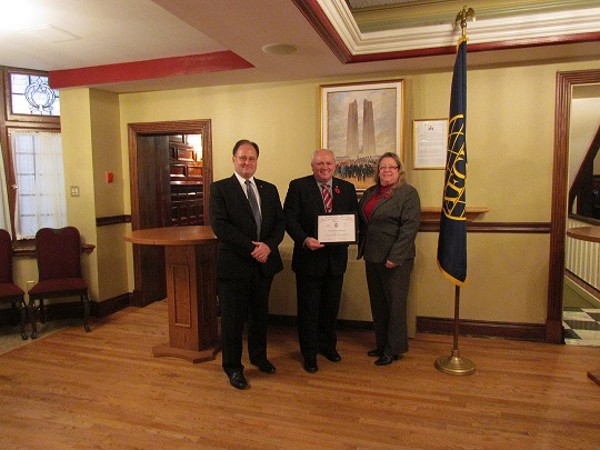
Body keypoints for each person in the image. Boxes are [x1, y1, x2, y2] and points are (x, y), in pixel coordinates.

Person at [209, 139, 285, 389]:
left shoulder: (269, 189)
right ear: (233, 159)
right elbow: (220, 226)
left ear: (257, 161)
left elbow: (278, 225)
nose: (247, 162)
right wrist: (253, 248)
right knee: (232, 320)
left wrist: (268, 247)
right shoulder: (220, 189)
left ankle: (259, 357)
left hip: (264, 265)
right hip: (234, 265)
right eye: (242, 158)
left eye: (251, 158)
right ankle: (233, 367)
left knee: (259, 316)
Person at [284, 149, 358, 373]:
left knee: (330, 308)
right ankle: (309, 353)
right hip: (308, 259)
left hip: (335, 261)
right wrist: (305, 240)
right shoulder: (298, 186)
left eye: (328, 163)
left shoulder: (346, 188)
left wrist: (350, 235)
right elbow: (289, 219)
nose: (324, 167)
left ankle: (328, 346)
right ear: (312, 166)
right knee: (308, 310)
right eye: (319, 164)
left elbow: (353, 219)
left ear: (335, 165)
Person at [358, 152, 421, 366]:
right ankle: (381, 343)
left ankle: (393, 349)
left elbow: (409, 228)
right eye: (382, 167)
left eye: (391, 167)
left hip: (396, 259)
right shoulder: (370, 192)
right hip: (372, 256)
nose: (386, 170)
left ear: (398, 170)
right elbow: (363, 221)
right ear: (377, 171)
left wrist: (395, 256)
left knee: (395, 305)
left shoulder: (407, 193)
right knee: (378, 304)